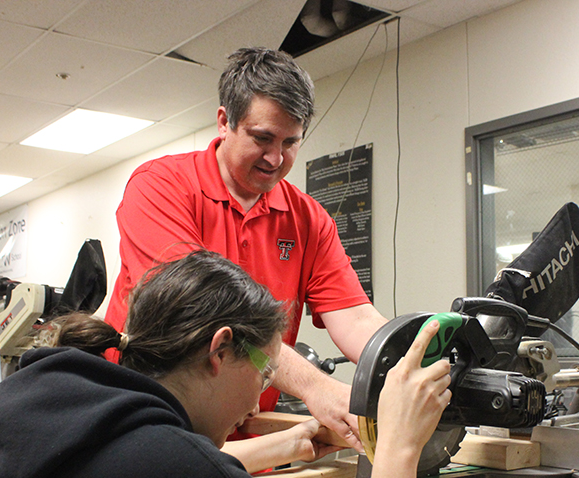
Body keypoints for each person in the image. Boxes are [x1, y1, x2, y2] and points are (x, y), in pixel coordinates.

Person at [0, 250, 451, 478]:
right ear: (219, 350)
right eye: (265, 372)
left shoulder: (59, 417)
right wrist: (397, 449)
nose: (256, 397)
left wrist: (287, 444)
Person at [105, 47, 388, 451]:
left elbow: (356, 317)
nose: (276, 158)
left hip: (244, 432)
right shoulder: (161, 187)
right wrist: (316, 386)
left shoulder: (307, 219)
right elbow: (202, 314)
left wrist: (404, 371)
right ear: (225, 122)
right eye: (263, 138)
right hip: (144, 426)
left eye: (291, 142)